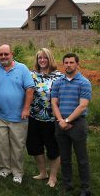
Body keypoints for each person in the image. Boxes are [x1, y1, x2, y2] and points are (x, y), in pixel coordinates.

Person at [0, 44, 35, 184]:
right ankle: (5, 168)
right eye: (0, 54)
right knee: (1, 144)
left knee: (17, 145)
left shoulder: (22, 69)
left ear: (12, 54)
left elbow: (29, 89)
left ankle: (17, 172)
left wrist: (26, 108)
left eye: (6, 54)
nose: (3, 57)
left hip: (18, 115)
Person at [51, 53, 92, 196]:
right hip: (60, 123)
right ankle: (67, 185)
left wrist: (67, 121)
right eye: (66, 62)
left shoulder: (84, 82)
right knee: (65, 157)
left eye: (71, 62)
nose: (68, 65)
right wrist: (61, 121)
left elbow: (82, 106)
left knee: (82, 159)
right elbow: (54, 103)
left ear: (77, 64)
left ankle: (85, 189)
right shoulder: (58, 82)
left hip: (77, 124)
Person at [28, 48, 64, 187]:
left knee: (53, 149)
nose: (42, 60)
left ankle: (53, 177)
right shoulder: (31, 75)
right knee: (35, 147)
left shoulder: (59, 76)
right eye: (39, 58)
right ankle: (43, 173)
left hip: (52, 119)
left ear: (50, 59)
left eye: (45, 58)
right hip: (34, 117)